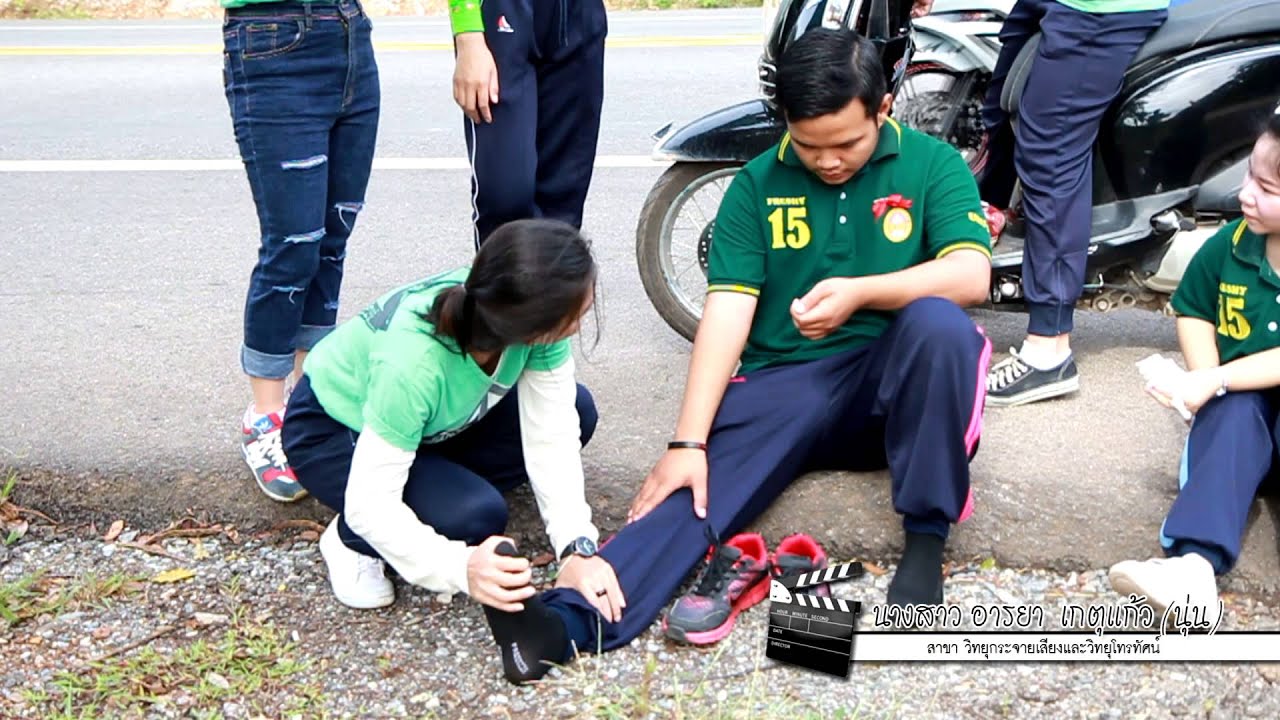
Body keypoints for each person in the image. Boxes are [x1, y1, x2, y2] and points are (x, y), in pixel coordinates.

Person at [480, 28, 994, 685]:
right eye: (811, 148)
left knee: (939, 325)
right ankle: (565, 624)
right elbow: (727, 312)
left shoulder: (932, 166)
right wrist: (686, 443)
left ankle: (926, 537)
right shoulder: (754, 185)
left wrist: (862, 294)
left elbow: (970, 274)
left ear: (882, 110)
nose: (830, 162)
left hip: (890, 394)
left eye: (847, 144)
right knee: (687, 495)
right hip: (786, 388)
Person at [280, 219, 620, 615]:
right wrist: (460, 568)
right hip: (332, 429)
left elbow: (552, 433)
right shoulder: (413, 364)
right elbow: (370, 504)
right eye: (576, 317)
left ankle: (430, 490)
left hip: (425, 425)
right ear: (530, 327)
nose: (579, 325)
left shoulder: (509, 305)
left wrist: (576, 547)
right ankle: (349, 540)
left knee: (579, 411)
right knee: (474, 517)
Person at [1107, 112, 1280, 629]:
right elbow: (1196, 308)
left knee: (1229, 390)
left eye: (1266, 187)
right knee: (1231, 409)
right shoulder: (1229, 245)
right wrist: (1203, 381)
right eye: (1249, 175)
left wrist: (1216, 378)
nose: (1245, 193)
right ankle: (1192, 572)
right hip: (1242, 422)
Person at [221, 0, 381, 502]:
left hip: (350, 32)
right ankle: (266, 416)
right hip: (273, 40)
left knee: (331, 241)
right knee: (293, 246)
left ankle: (312, 403)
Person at [977, 0, 1169, 406]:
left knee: (1052, 152)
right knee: (999, 112)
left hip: (1097, 7)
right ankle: (979, 234)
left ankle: (1049, 349)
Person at [448, 0, 608, 248]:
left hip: (580, 13)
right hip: (503, 12)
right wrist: (467, 35)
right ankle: (501, 284)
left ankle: (555, 285)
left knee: (563, 202)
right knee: (505, 197)